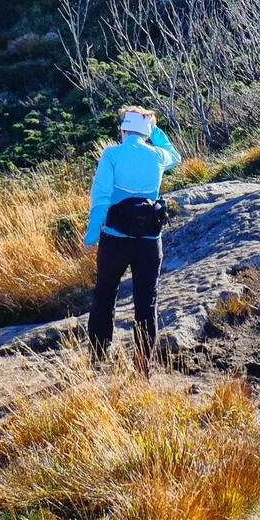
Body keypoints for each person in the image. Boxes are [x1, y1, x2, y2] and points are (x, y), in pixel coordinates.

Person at [83, 106, 180, 362]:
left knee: (105, 295)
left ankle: (98, 359)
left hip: (115, 238)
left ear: (124, 129)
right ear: (146, 131)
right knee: (146, 303)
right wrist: (154, 130)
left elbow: (101, 196)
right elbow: (176, 156)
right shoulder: (158, 156)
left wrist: (92, 234)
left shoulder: (112, 154)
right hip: (149, 242)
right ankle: (142, 366)